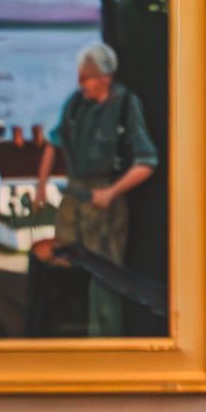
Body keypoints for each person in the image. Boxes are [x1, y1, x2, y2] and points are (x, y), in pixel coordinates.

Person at [49, 43, 158, 336]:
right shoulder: (76, 104)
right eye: (80, 78)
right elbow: (56, 143)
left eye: (87, 79)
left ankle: (105, 346)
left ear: (106, 77)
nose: (81, 84)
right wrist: (41, 185)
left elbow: (147, 162)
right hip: (74, 200)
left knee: (104, 282)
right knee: (62, 268)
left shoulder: (125, 105)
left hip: (105, 207)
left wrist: (111, 192)